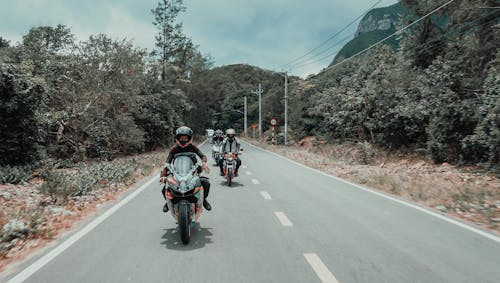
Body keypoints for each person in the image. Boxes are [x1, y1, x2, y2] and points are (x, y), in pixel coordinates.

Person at [160, 126, 212, 212]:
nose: (183, 140)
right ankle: (167, 201)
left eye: (185, 138)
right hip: (178, 173)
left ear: (189, 138)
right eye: (181, 138)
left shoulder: (192, 147)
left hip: (192, 173)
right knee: (165, 186)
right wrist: (163, 176)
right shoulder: (174, 149)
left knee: (206, 183)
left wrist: (203, 163)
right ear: (177, 138)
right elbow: (167, 163)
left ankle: (204, 200)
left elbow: (202, 156)